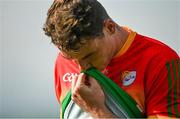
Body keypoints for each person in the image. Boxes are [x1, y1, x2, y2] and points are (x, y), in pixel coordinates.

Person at [43, 0, 180, 118]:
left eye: (89, 55)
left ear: (110, 27)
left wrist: (98, 111)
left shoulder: (160, 61)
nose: (82, 69)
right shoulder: (62, 62)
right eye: (72, 59)